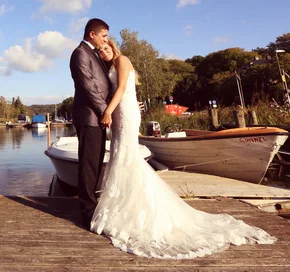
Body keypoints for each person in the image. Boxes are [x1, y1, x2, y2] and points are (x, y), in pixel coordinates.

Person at [90, 40, 276, 258]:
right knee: (121, 155)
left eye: (106, 48)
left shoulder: (122, 59)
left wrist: (107, 112)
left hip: (123, 111)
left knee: (127, 155)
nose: (103, 52)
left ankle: (134, 209)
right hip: (122, 110)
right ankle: (122, 207)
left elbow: (122, 88)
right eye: (100, 51)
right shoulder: (111, 66)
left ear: (114, 48)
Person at [69, 18, 111, 228]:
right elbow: (87, 87)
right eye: (104, 35)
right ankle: (87, 212)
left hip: (98, 118)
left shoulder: (94, 54)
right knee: (88, 164)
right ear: (92, 34)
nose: (106, 40)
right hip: (89, 117)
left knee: (95, 163)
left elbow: (102, 85)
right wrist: (105, 112)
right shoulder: (80, 54)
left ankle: (93, 205)